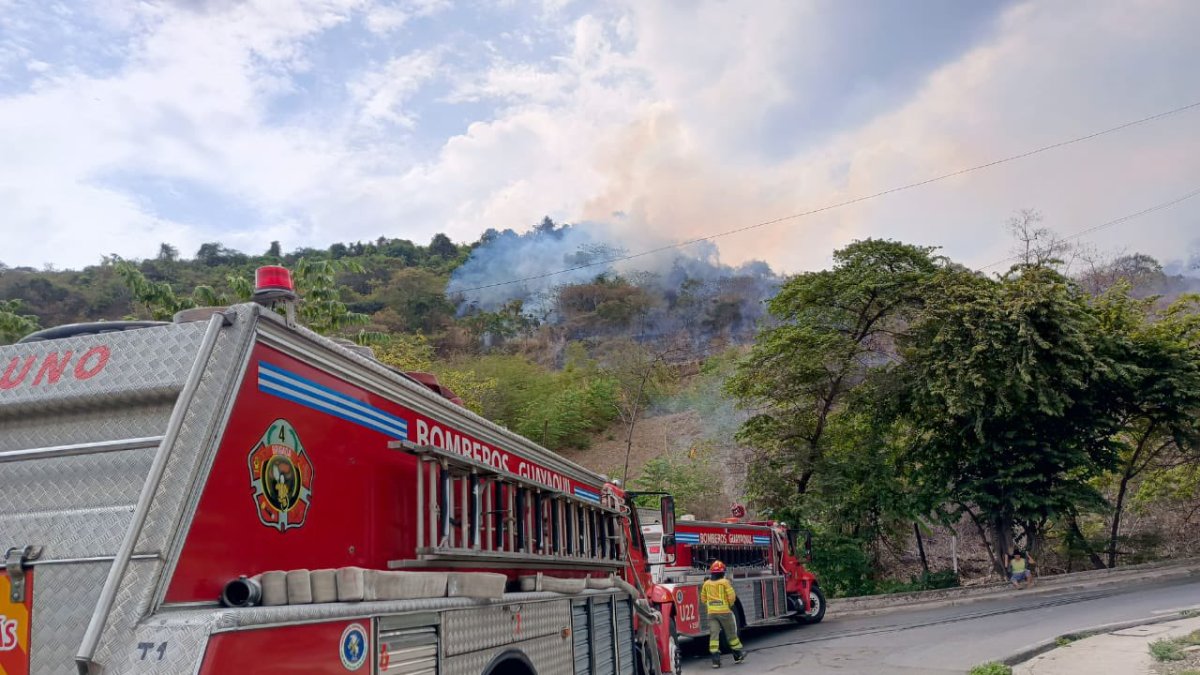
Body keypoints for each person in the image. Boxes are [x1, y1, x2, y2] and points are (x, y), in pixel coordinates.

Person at [700, 560, 745, 668]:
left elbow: (703, 599)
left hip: (711, 614)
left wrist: (711, 605)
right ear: (722, 573)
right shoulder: (725, 582)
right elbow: (732, 597)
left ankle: (715, 661)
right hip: (725, 613)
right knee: (731, 635)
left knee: (714, 637)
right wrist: (728, 605)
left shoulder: (706, 584)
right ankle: (738, 656)